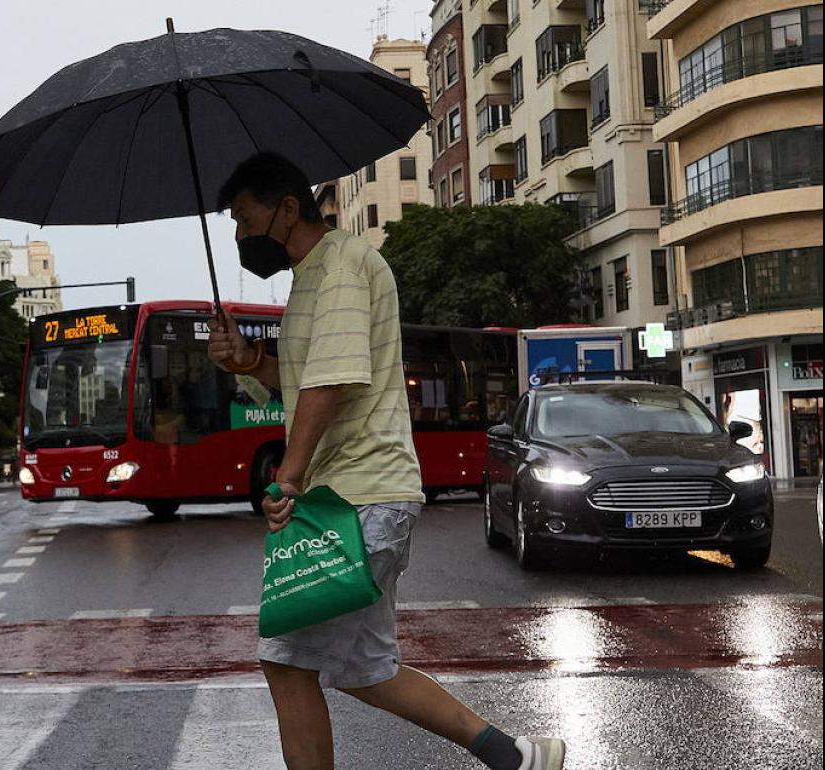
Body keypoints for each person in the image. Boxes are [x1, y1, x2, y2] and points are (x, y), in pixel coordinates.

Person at [208, 152, 566, 770]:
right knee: (364, 669)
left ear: (287, 209)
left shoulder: (343, 265)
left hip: (358, 497)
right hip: (353, 497)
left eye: (244, 217)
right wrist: (250, 362)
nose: (239, 234)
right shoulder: (311, 277)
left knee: (286, 661)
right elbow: (305, 378)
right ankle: (515, 755)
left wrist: (286, 479)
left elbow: (332, 383)